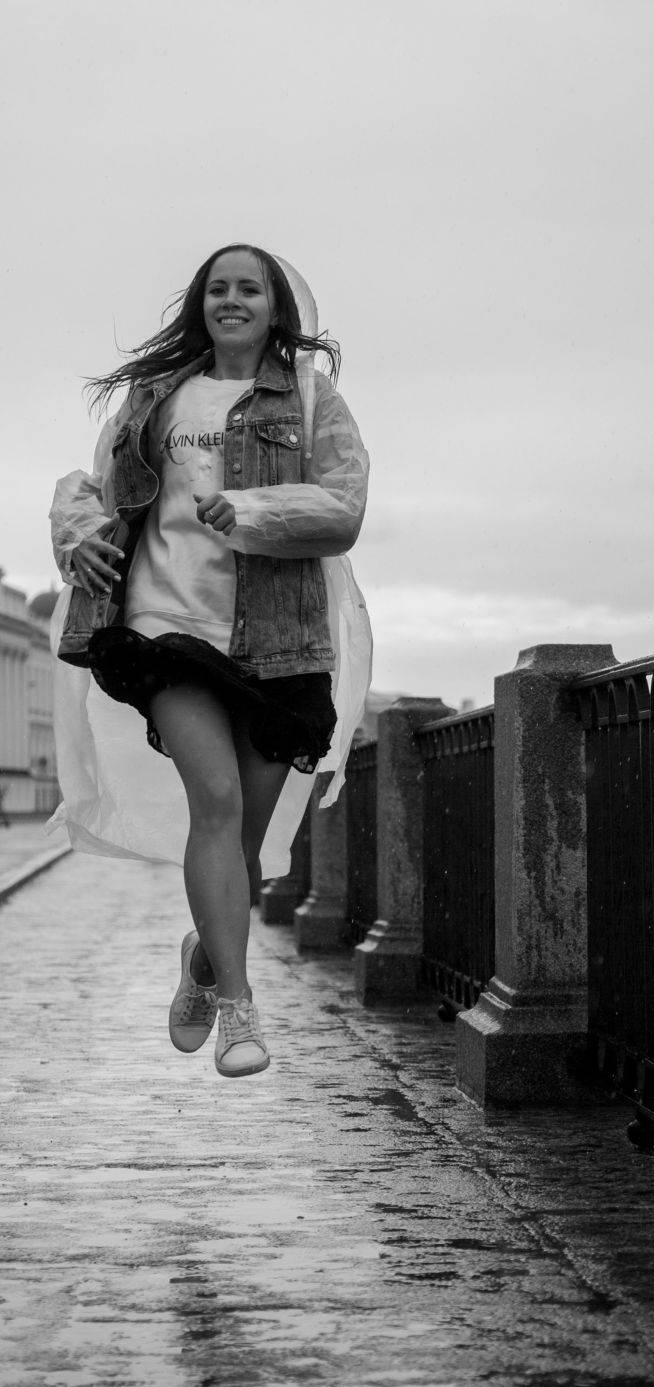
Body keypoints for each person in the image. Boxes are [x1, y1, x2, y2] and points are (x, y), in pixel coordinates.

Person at [49, 244, 371, 1079]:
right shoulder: (156, 396)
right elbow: (90, 488)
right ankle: (238, 1008)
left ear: (274, 308)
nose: (232, 299)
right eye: (218, 288)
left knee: (245, 847)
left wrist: (253, 509)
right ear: (201, 304)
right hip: (167, 629)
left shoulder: (311, 398)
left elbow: (345, 509)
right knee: (217, 802)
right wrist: (78, 539)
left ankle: (203, 957)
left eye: (248, 289)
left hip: (280, 639)